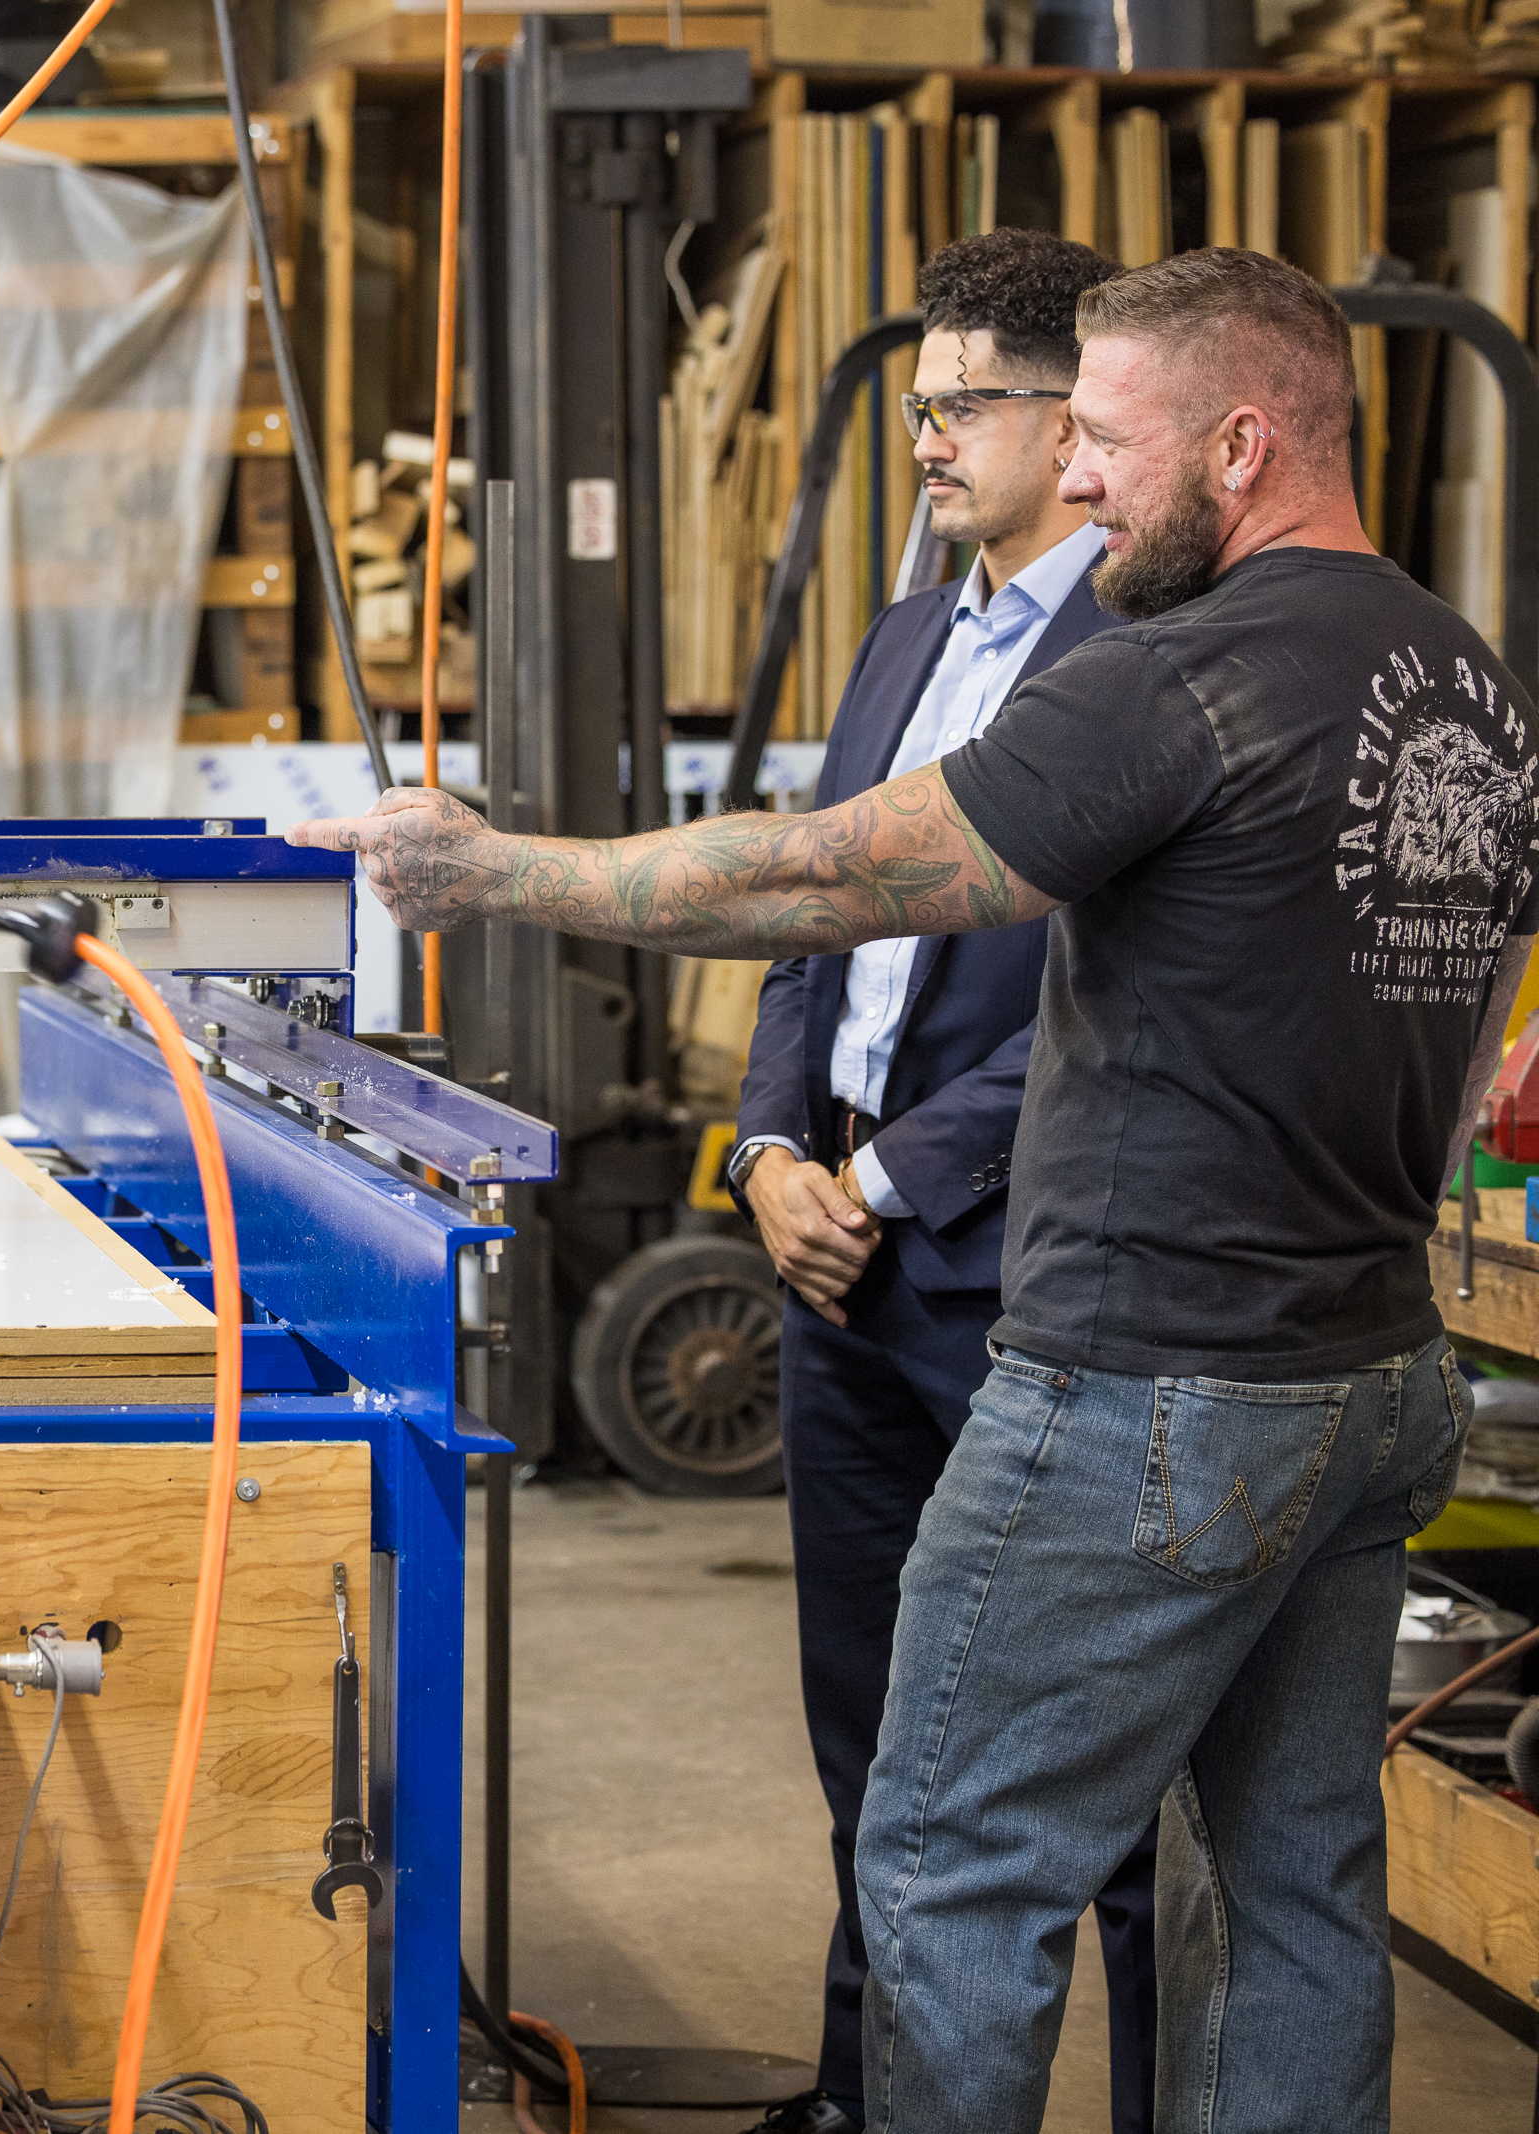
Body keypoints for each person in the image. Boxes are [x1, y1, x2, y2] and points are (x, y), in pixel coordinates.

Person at [293, 247, 1522, 2132]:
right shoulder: (1460, 678)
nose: (1086, 478)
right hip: (1361, 1374)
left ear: (1245, 442)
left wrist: (491, 872)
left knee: (947, 1853)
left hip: (1147, 1382)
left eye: (1104, 439)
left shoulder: (1175, 678)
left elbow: (822, 879)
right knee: (1292, 1888)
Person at [725, 228, 1155, 2134]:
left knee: (1090, 1773)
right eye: (916, 405)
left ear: (1077, 423)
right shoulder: (912, 639)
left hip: (1022, 1288)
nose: (926, 440)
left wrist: (888, 1174)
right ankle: (860, 2097)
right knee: (870, 1737)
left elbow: (1098, 995)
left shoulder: (1138, 653)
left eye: (960, 403)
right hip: (839, 1280)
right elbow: (810, 917)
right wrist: (761, 1151)